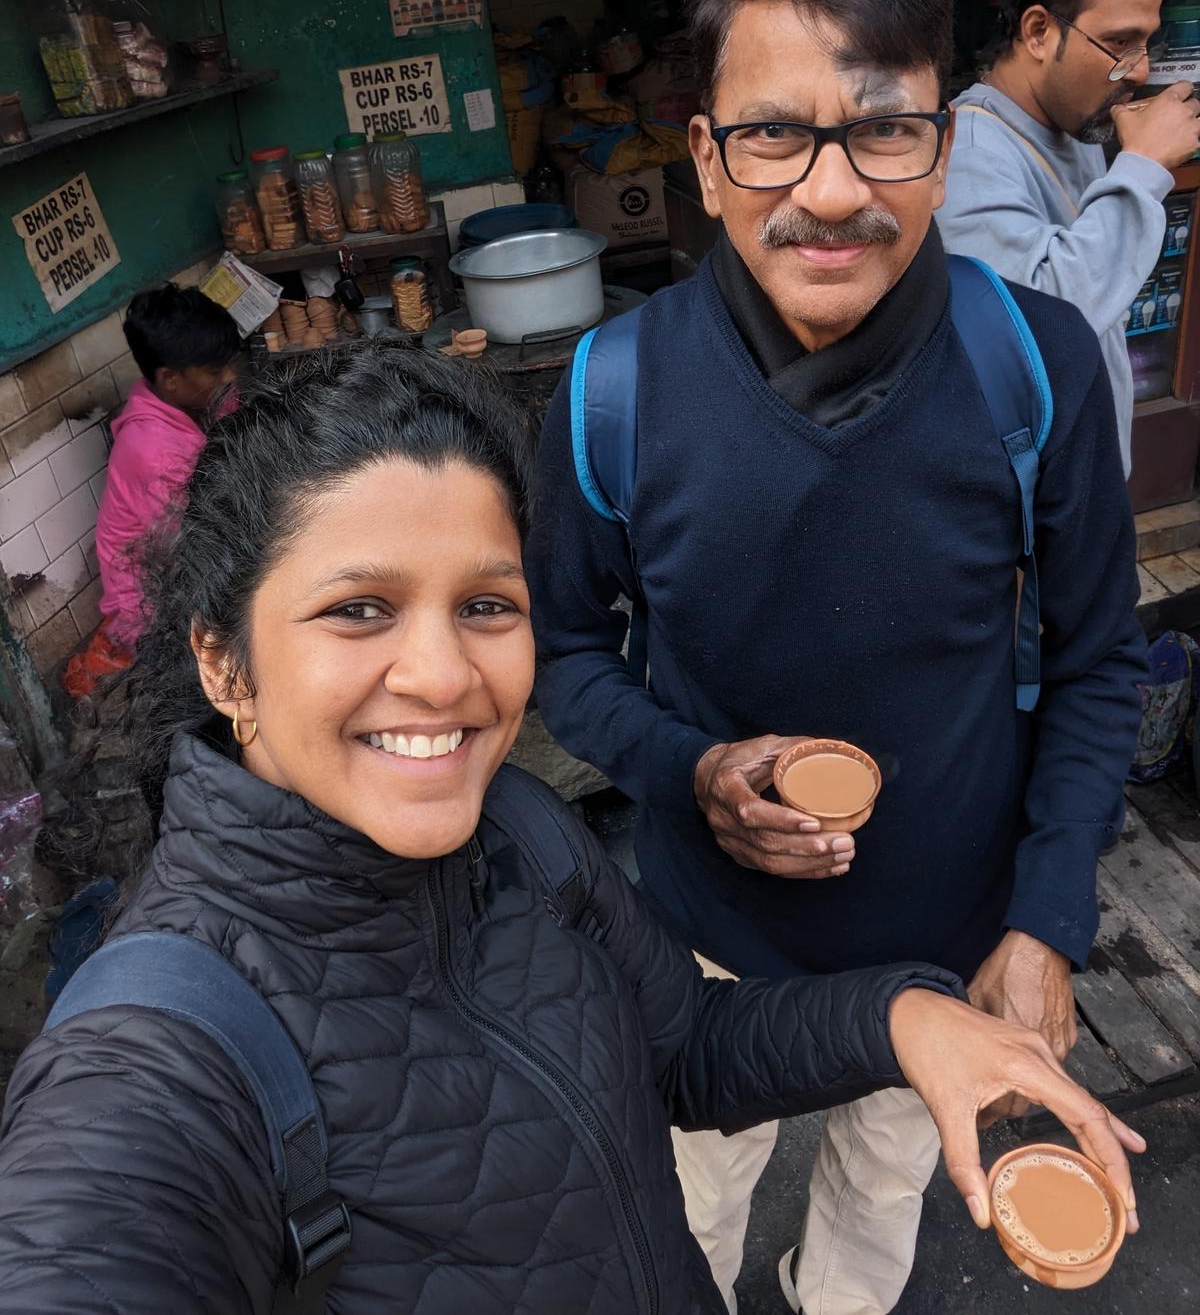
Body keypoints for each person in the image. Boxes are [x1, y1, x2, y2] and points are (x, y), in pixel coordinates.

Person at [0, 343, 1142, 1315]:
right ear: (221, 656)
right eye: (360, 609)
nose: (445, 674)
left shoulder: (520, 832)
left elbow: (687, 1046)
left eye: (487, 605)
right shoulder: (155, 1065)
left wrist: (907, 1015)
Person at [525, 0, 1147, 1315]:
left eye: (883, 129)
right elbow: (565, 654)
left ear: (944, 138)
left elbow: (1102, 660)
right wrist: (689, 769)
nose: (827, 190)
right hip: (703, 947)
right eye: (772, 134)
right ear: (705, 153)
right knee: (689, 1199)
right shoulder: (614, 394)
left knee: (878, 1193)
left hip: (948, 935)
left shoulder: (1028, 363)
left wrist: (1043, 920)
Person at [937, 0, 1200, 476]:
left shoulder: (1074, 126)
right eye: (1119, 43)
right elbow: (1033, 324)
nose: (1139, 70)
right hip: (1035, 510)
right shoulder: (971, 151)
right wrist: (1144, 166)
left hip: (1083, 482)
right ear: (1037, 30)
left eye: (1147, 43)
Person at [61, 283, 239, 700]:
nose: (229, 378)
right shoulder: (156, 452)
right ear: (170, 379)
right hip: (152, 600)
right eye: (215, 371)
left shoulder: (194, 399)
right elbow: (198, 547)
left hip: (187, 553)